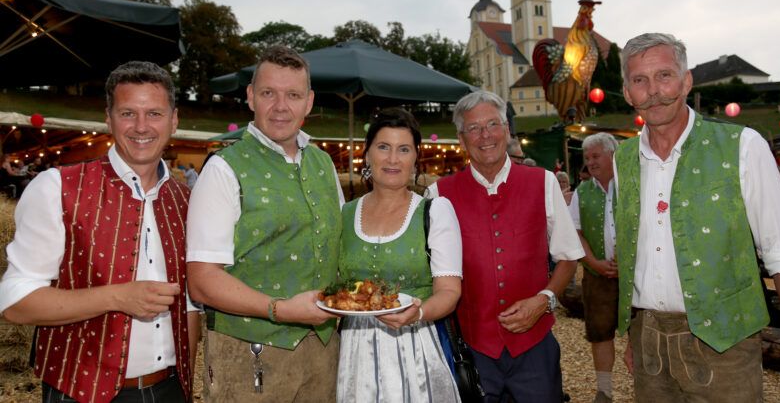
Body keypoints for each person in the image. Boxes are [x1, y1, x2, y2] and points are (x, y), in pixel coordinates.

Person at [615, 32, 780, 402]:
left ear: (687, 81)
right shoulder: (623, 159)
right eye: (640, 80)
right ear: (626, 92)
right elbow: (633, 253)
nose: (653, 91)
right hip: (648, 342)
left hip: (726, 347)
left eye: (664, 75)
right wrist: (635, 333)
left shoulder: (743, 146)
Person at [0, 61, 199, 403]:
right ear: (108, 119)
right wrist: (118, 297)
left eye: (154, 113)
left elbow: (191, 308)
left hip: (170, 389)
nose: (141, 127)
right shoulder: (57, 187)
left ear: (174, 119)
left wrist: (187, 383)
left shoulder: (188, 200)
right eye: (127, 113)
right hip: (80, 391)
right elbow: (15, 303)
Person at [186, 45, 345, 403]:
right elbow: (202, 281)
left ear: (309, 102)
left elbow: (340, 247)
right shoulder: (224, 169)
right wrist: (279, 309)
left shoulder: (323, 163)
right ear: (250, 97)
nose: (281, 106)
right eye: (268, 93)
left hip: (324, 350)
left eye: (293, 95)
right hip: (248, 356)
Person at [427, 90, 584, 402]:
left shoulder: (544, 182)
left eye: (493, 124)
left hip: (535, 348)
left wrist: (545, 300)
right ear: (461, 139)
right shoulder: (438, 194)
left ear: (507, 130)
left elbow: (568, 258)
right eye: (473, 128)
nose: (485, 135)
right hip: (473, 349)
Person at [337, 107, 463, 402]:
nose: (393, 159)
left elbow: (449, 291)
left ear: (415, 158)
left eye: (403, 149)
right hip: (355, 350)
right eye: (383, 147)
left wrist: (417, 313)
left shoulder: (434, 212)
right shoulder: (345, 214)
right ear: (367, 154)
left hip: (415, 348)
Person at [567, 132, 619, 403]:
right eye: (587, 157)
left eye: (596, 156)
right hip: (597, 274)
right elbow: (574, 233)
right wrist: (594, 263)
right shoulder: (582, 192)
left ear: (613, 154)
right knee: (600, 332)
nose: (590, 162)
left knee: (644, 332)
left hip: (637, 274)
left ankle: (649, 385)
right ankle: (605, 390)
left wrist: (629, 261)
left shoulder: (633, 185)